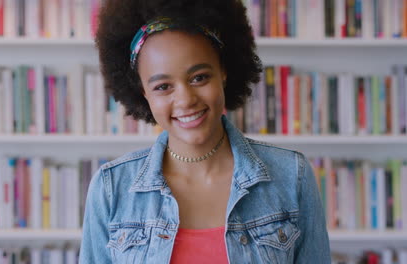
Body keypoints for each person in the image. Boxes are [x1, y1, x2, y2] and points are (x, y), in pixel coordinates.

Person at [79, 0, 331, 263]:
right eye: (163, 86)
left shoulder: (291, 176)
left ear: (223, 70)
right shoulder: (110, 188)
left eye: (199, 77)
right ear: (143, 93)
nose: (186, 99)